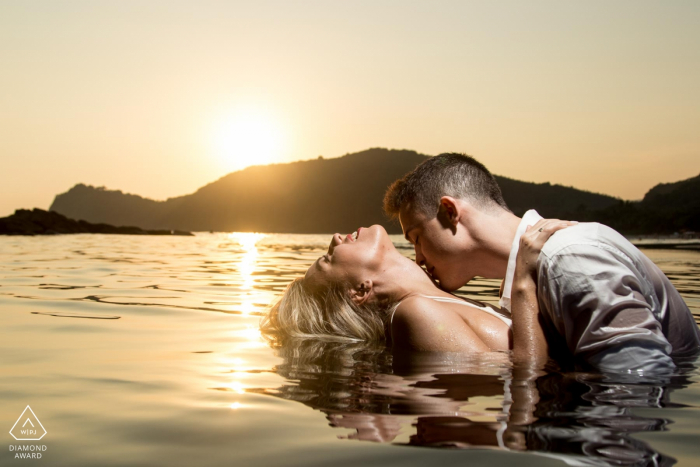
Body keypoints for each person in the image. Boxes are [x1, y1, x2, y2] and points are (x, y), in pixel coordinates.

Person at [383, 153, 700, 373]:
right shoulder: (532, 280)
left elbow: (639, 383)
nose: (419, 258)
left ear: (450, 212)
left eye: (416, 238)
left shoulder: (566, 258)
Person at [260, 220, 570, 358]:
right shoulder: (415, 313)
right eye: (328, 259)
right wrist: (524, 281)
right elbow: (527, 378)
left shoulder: (440, 297)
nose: (336, 238)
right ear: (359, 291)